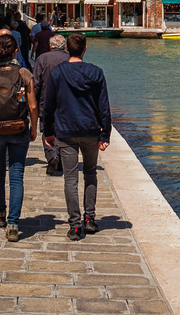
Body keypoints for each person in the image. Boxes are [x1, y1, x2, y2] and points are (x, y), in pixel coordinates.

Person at [40, 33, 109, 240]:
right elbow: (103, 106)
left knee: (70, 179)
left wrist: (48, 132)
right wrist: (105, 133)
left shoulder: (58, 73)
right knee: (90, 173)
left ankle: (75, 225)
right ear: (85, 49)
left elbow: (49, 105)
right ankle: (90, 219)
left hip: (66, 131)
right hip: (90, 130)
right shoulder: (96, 72)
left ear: (67, 49)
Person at [0, 34, 34, 242]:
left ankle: (0, 214)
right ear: (15, 52)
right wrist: (34, 128)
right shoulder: (24, 73)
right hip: (18, 129)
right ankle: (13, 223)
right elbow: (32, 105)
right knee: (16, 176)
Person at [32, 34, 68, 179]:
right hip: (66, 102)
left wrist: (31, 103)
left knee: (47, 130)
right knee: (62, 131)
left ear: (50, 45)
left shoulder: (42, 59)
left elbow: (36, 83)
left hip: (45, 101)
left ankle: (52, 154)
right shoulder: (70, 59)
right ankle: (60, 160)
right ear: (65, 46)